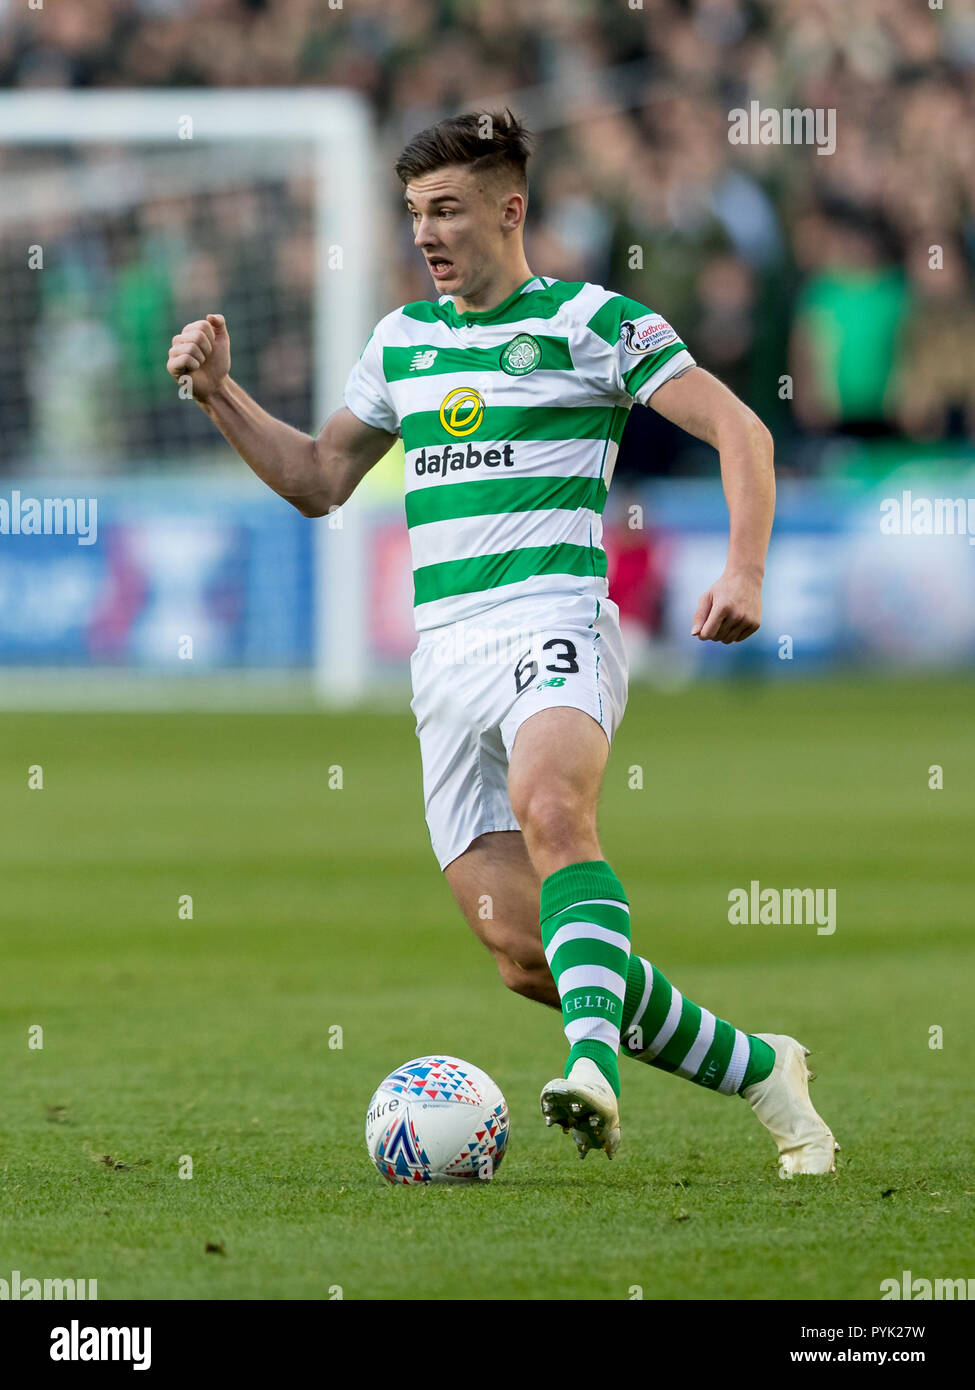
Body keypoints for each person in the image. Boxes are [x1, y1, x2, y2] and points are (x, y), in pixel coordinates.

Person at [165, 109, 836, 1176]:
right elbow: (316, 481)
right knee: (529, 956)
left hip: (554, 618)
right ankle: (762, 1067)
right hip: (446, 660)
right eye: (415, 214)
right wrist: (219, 396)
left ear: (510, 210)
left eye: (447, 211)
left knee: (557, 807)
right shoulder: (401, 343)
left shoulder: (592, 322)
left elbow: (743, 430)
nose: (426, 234)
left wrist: (746, 569)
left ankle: (593, 1072)